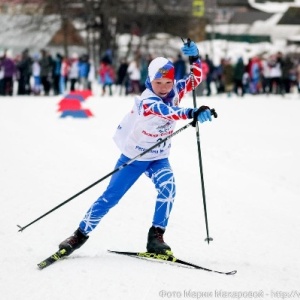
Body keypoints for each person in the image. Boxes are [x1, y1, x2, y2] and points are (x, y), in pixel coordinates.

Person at [58, 41, 214, 257]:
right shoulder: (147, 100)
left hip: (159, 157)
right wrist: (192, 113)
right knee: (110, 197)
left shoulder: (175, 90)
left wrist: (196, 57)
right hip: (134, 157)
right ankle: (79, 235)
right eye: (158, 82)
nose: (164, 87)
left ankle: (156, 237)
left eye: (168, 82)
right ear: (149, 81)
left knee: (168, 188)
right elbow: (169, 112)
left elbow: (195, 79)